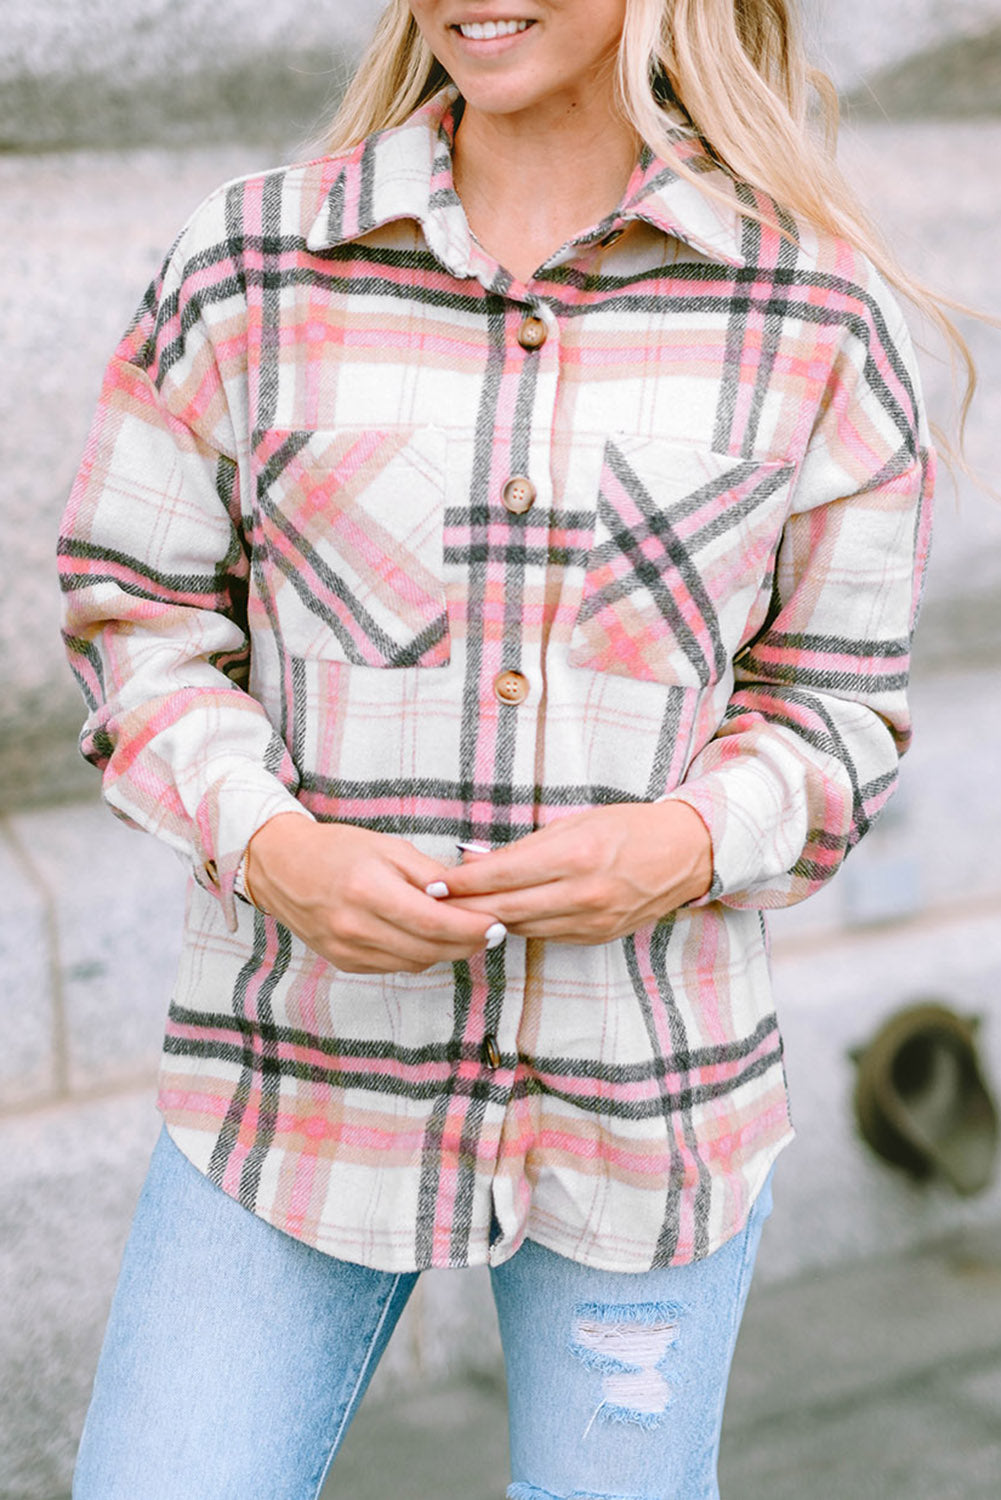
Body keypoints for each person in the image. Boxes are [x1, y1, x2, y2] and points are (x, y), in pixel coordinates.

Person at [59, 2, 944, 1496]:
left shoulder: (814, 317)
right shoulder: (249, 264)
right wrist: (274, 844)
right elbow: (134, 624)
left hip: (645, 1104)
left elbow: (836, 709)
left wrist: (679, 845)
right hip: (292, 1084)